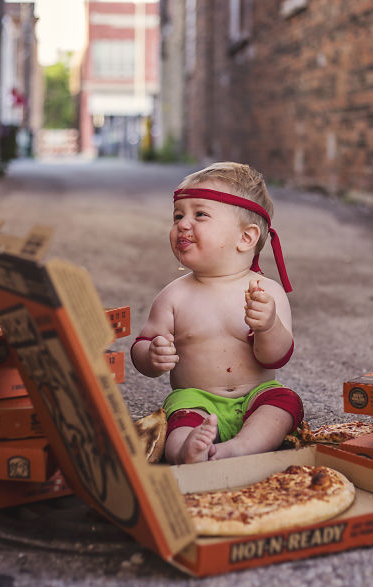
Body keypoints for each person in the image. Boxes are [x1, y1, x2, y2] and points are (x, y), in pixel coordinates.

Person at [130, 162, 304, 464]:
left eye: (200, 215)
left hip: (255, 395)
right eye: (178, 216)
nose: (183, 224)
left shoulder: (267, 292)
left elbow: (275, 357)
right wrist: (152, 355)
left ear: (246, 238)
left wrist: (267, 327)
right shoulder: (174, 296)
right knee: (179, 422)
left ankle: (238, 448)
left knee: (284, 403)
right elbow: (141, 349)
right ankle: (188, 450)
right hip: (195, 398)